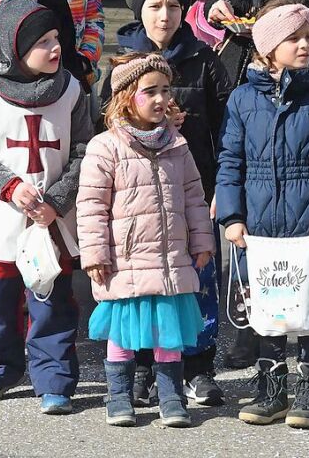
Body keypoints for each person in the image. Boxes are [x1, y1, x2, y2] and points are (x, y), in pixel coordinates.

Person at [217, 0, 309, 429]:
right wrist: (231, 215)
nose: (303, 45)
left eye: (308, 37)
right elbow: (230, 159)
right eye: (291, 38)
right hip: (258, 227)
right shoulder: (242, 99)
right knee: (267, 305)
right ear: (266, 47)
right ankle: (271, 389)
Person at [104, 0, 232, 406]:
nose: (165, 15)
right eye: (155, 6)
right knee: (141, 284)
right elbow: (105, 126)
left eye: (174, 6)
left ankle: (198, 368)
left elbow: (227, 128)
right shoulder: (122, 62)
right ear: (140, 11)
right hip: (137, 200)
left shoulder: (205, 58)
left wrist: (223, 188)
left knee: (196, 281)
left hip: (192, 193)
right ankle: (142, 367)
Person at [0, 0, 93, 415]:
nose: (55, 47)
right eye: (44, 42)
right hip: (5, 218)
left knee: (51, 302)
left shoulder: (71, 89)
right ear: (16, 49)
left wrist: (55, 201)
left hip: (51, 219)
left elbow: (85, 150)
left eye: (56, 38)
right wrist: (10, 186)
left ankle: (54, 380)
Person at [78, 52, 214, 428]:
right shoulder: (105, 147)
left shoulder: (178, 145)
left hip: (170, 259)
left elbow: (193, 197)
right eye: (149, 91)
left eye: (165, 90)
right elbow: (90, 206)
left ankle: (171, 397)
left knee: (169, 334)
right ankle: (119, 396)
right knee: (122, 332)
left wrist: (202, 240)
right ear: (125, 98)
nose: (160, 99)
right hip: (125, 262)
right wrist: (94, 253)